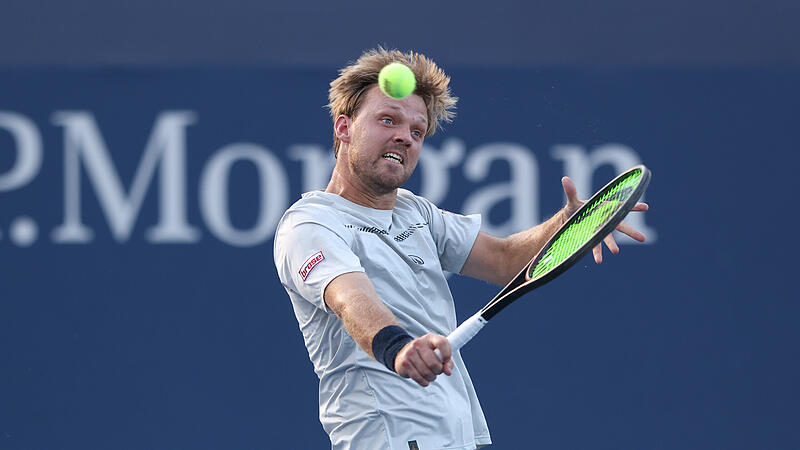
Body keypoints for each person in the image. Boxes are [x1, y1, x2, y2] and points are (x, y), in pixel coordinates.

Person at [273, 48, 648, 450]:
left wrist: (568, 223)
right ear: (344, 127)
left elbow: (505, 261)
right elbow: (350, 299)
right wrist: (399, 348)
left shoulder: (415, 212)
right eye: (388, 120)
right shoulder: (310, 224)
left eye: (417, 131)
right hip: (392, 437)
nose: (404, 136)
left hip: (456, 436)